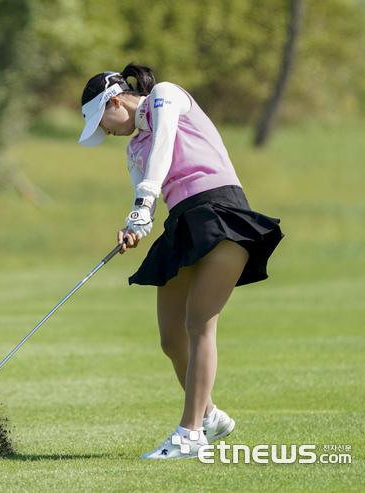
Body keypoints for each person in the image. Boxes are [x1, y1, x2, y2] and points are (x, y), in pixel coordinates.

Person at [79, 64, 284, 460]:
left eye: (102, 122)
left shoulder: (166, 96)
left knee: (199, 324)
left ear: (115, 101)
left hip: (221, 214)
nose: (104, 132)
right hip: (181, 223)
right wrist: (134, 226)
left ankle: (189, 435)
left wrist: (143, 202)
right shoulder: (133, 148)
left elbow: (165, 144)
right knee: (171, 338)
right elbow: (146, 198)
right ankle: (210, 417)